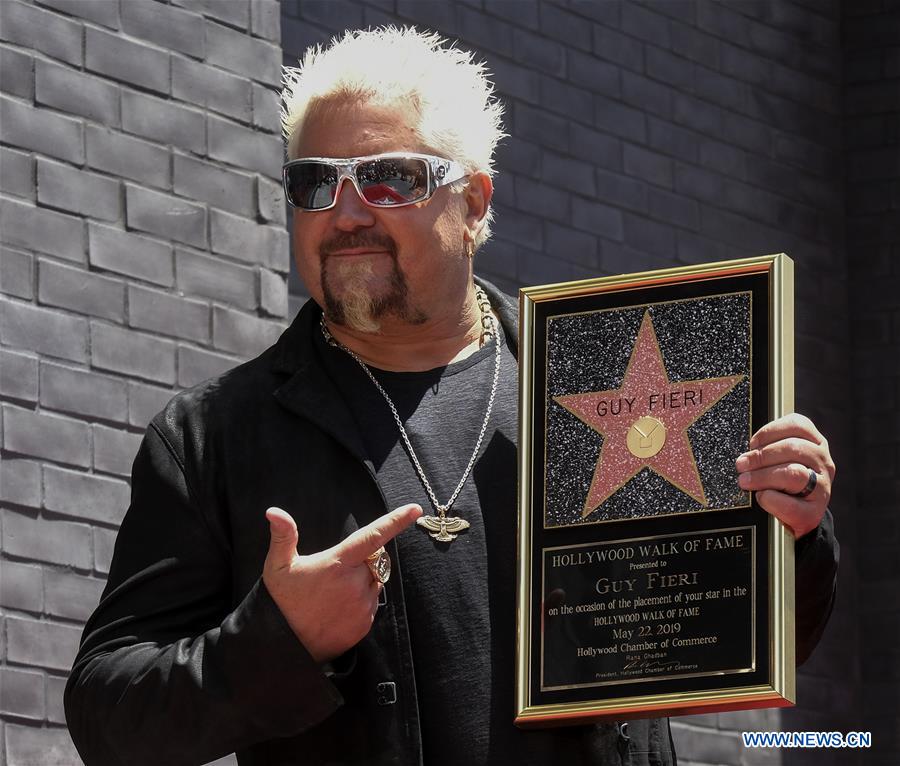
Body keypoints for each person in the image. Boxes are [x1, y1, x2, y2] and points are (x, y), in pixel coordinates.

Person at [65, 27, 839, 766]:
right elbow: (109, 719)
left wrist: (790, 530)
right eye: (314, 183)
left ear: (473, 204)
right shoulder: (215, 436)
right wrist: (277, 640)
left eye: (390, 178)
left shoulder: (605, 388)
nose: (347, 212)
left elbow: (747, 636)